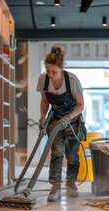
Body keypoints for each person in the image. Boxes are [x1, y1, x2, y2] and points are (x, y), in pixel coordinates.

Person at [36, 46, 86, 202]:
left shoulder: (71, 80)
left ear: (62, 68)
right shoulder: (43, 79)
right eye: (48, 71)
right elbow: (44, 101)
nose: (50, 75)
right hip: (55, 120)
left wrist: (69, 117)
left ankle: (71, 184)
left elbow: (80, 105)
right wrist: (43, 117)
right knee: (56, 153)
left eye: (54, 72)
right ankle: (55, 188)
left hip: (73, 122)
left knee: (71, 155)